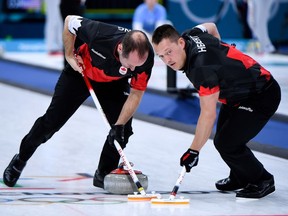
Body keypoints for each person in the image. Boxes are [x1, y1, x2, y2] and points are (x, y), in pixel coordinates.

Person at [3, 15, 154, 189]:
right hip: (80, 73)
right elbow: (69, 21)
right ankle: (21, 158)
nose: (133, 70)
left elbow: (136, 94)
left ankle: (103, 173)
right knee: (51, 123)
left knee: (122, 131)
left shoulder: (144, 60)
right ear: (120, 48)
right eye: (130, 65)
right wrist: (69, 55)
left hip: (113, 83)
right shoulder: (100, 33)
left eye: (137, 66)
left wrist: (119, 125)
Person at [152, 23, 281, 199]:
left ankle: (262, 180)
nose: (167, 60)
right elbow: (211, 27)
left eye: (169, 52)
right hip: (237, 93)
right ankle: (240, 176)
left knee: (227, 143)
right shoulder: (192, 33)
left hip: (261, 94)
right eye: (161, 56)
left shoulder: (202, 68)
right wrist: (219, 56)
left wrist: (193, 151)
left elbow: (208, 114)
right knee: (224, 137)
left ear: (181, 43)